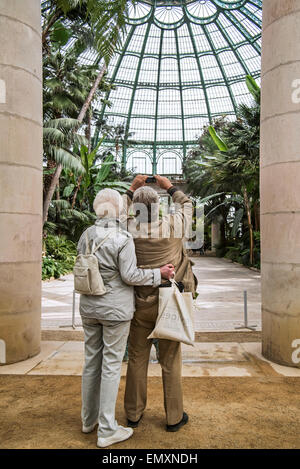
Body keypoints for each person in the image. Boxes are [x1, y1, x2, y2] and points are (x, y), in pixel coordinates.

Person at [77, 188, 174, 448]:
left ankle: (89, 420)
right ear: (119, 210)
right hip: (115, 311)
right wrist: (159, 274)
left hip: (88, 307)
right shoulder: (123, 237)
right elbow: (130, 276)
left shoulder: (86, 234)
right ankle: (107, 429)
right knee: (110, 365)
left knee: (91, 362)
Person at [123, 175, 197, 432]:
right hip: (169, 304)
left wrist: (133, 189)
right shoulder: (174, 225)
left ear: (135, 208)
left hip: (139, 305)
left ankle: (133, 414)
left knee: (136, 359)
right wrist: (169, 187)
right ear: (160, 207)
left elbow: (116, 214)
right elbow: (187, 204)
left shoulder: (128, 228)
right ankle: (174, 417)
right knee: (171, 360)